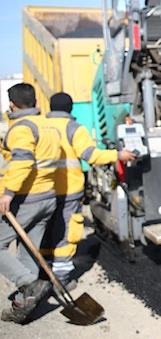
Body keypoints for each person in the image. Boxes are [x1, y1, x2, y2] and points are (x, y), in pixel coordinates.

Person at [42, 93, 136, 288]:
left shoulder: (40, 127)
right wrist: (119, 154)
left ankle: (43, 273)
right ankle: (60, 277)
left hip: (42, 189)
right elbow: (90, 155)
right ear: (70, 109)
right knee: (66, 230)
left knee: (45, 229)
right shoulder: (74, 128)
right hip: (67, 189)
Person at [0, 83, 61, 323]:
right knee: (28, 252)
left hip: (26, 198)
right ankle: (21, 305)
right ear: (35, 101)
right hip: (48, 196)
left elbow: (23, 161)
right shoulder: (47, 125)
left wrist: (7, 193)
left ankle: (28, 284)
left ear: (12, 105)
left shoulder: (21, 129)